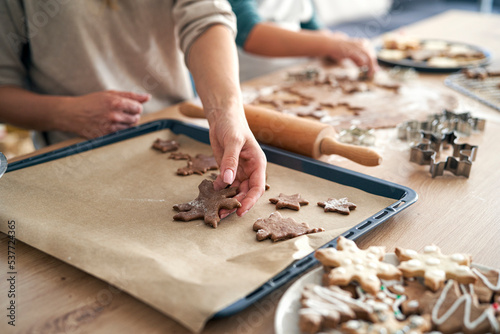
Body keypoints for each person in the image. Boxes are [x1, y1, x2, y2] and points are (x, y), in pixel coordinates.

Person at [0, 0, 266, 216]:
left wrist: (226, 112)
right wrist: (65, 112)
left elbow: (206, 19)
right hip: (73, 155)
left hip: (179, 133)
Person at [228, 0, 379, 81]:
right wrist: (331, 45)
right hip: (250, 83)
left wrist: (337, 43)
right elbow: (251, 35)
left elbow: (312, 25)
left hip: (293, 76)